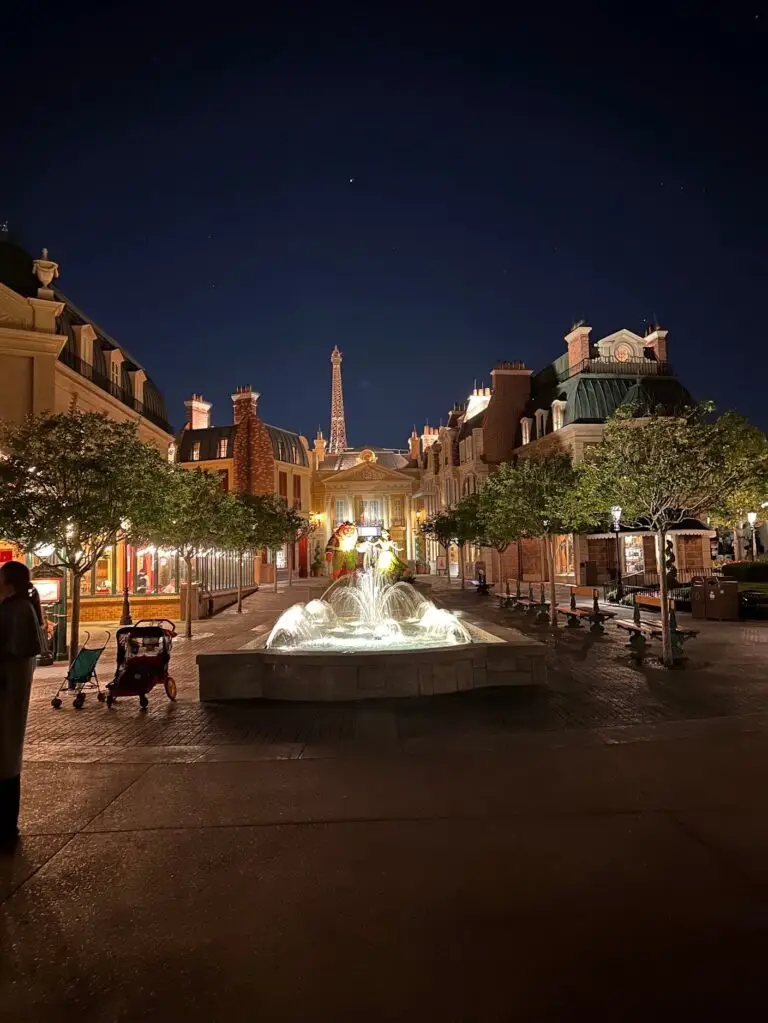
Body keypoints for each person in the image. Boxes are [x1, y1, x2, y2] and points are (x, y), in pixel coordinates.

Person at [0, 561, 45, 847]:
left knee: (5, 760)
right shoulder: (18, 608)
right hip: (9, 697)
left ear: (10, 582)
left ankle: (6, 829)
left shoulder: (16, 610)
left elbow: (15, 655)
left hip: (7, 698)